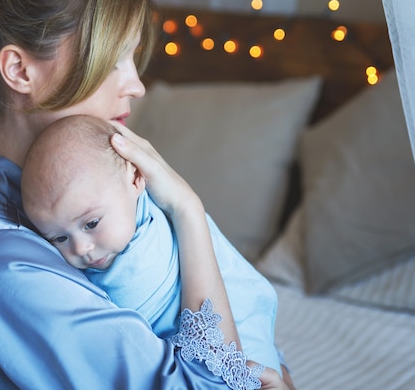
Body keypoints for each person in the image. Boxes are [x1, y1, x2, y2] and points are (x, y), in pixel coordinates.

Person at [0, 0, 294, 389]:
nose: (138, 86)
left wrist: (274, 368)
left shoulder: (97, 185)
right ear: (20, 70)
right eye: (112, 61)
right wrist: (188, 209)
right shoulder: (5, 260)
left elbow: (247, 323)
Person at [21, 114, 285, 373]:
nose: (80, 249)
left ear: (136, 178)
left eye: (91, 224)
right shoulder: (110, 208)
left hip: (242, 345)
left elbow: (215, 358)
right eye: (59, 238)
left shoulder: (147, 242)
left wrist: (187, 207)